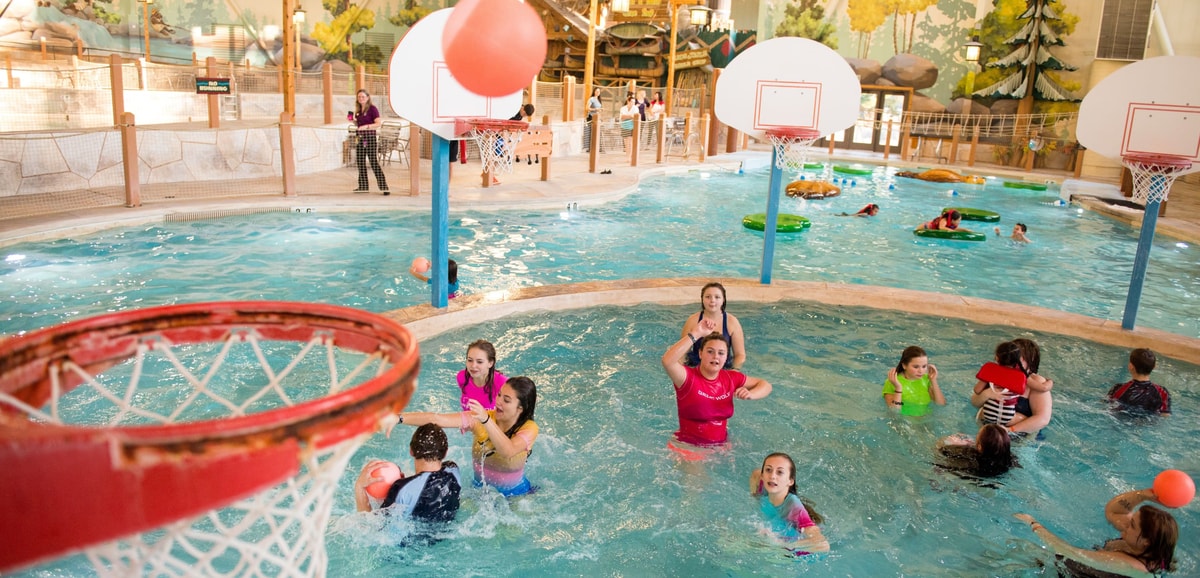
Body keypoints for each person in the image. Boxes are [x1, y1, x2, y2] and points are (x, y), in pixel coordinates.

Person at [384, 377, 539, 497]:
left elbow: (508, 450)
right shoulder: (479, 418)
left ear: (520, 407)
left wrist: (486, 420)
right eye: (499, 395)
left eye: (506, 400)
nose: (498, 402)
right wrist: (399, 418)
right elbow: (438, 419)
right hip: (480, 491)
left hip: (516, 494)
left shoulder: (529, 428)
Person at [661, 317, 772, 448]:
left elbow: (765, 385)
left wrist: (751, 394)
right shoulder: (687, 378)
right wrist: (696, 334)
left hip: (722, 446)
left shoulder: (731, 378)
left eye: (721, 353)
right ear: (700, 353)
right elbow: (667, 361)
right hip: (690, 447)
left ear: (726, 357)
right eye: (710, 351)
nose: (715, 357)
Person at [1015, 488, 1178, 576]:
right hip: (1090, 567)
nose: (1126, 523)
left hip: (1075, 571)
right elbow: (1114, 511)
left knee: (1022, 550)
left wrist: (1033, 523)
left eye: (1133, 524)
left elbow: (1067, 551)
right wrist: (1142, 495)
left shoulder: (1125, 564)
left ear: (1146, 540)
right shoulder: (1146, 546)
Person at [353, 424, 461, 526]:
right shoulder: (453, 470)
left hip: (410, 544)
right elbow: (430, 484)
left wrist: (359, 487)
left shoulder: (401, 488)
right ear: (446, 452)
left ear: (411, 451)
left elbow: (371, 527)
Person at [749, 453, 830, 555]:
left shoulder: (794, 507)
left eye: (780, 472)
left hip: (793, 550)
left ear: (790, 481)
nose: (772, 476)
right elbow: (756, 473)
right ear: (762, 475)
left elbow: (822, 545)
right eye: (768, 470)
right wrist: (755, 497)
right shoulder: (760, 483)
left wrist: (781, 545)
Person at [973, 338, 1054, 437]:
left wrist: (1010, 430)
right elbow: (975, 402)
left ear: (1029, 360)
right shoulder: (996, 374)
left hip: (1021, 437)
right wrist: (987, 394)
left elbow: (1043, 419)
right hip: (987, 431)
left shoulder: (1036, 383)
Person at [680, 282, 746, 370]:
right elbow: (683, 351)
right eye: (708, 297)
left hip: (723, 368)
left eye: (717, 297)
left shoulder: (732, 322)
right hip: (696, 367)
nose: (712, 300)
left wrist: (734, 371)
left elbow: (740, 355)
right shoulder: (692, 320)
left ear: (723, 300)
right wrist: (680, 369)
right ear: (702, 299)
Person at [883, 345, 945, 416]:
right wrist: (898, 389)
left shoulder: (926, 379)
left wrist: (933, 381)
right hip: (905, 421)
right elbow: (894, 411)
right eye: (916, 367)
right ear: (904, 365)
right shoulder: (893, 381)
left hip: (925, 420)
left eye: (924, 366)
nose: (921, 371)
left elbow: (941, 404)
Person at [936, 424, 1018, 477]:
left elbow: (939, 448)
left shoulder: (967, 455)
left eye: (978, 435)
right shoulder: (1010, 460)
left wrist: (955, 443)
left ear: (979, 447)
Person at [1108, 348, 1171, 414]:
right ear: (1154, 367)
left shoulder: (1118, 389)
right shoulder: (1163, 392)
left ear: (1130, 366)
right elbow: (1165, 415)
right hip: (1148, 423)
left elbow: (1108, 409)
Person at [350, 89, 389, 195]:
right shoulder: (358, 110)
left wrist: (366, 126)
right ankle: (363, 187)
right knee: (360, 163)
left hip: (370, 139)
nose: (361, 98)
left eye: (363, 97)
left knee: (373, 162)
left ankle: (384, 187)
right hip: (360, 139)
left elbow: (378, 123)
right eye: (359, 97)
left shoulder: (373, 109)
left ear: (367, 98)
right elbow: (359, 125)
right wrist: (353, 121)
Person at [457, 339, 507, 411]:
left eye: (479, 362)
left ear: (490, 363)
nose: (473, 366)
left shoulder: (502, 383)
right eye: (470, 360)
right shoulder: (462, 377)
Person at [585, 87, 602, 153]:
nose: (598, 92)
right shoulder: (591, 99)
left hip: (597, 117)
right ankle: (590, 148)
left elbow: (599, 109)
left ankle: (597, 147)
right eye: (596, 91)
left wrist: (600, 111)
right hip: (591, 117)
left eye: (599, 91)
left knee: (597, 132)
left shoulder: (599, 100)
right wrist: (596, 109)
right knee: (591, 133)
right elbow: (587, 108)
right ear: (594, 92)